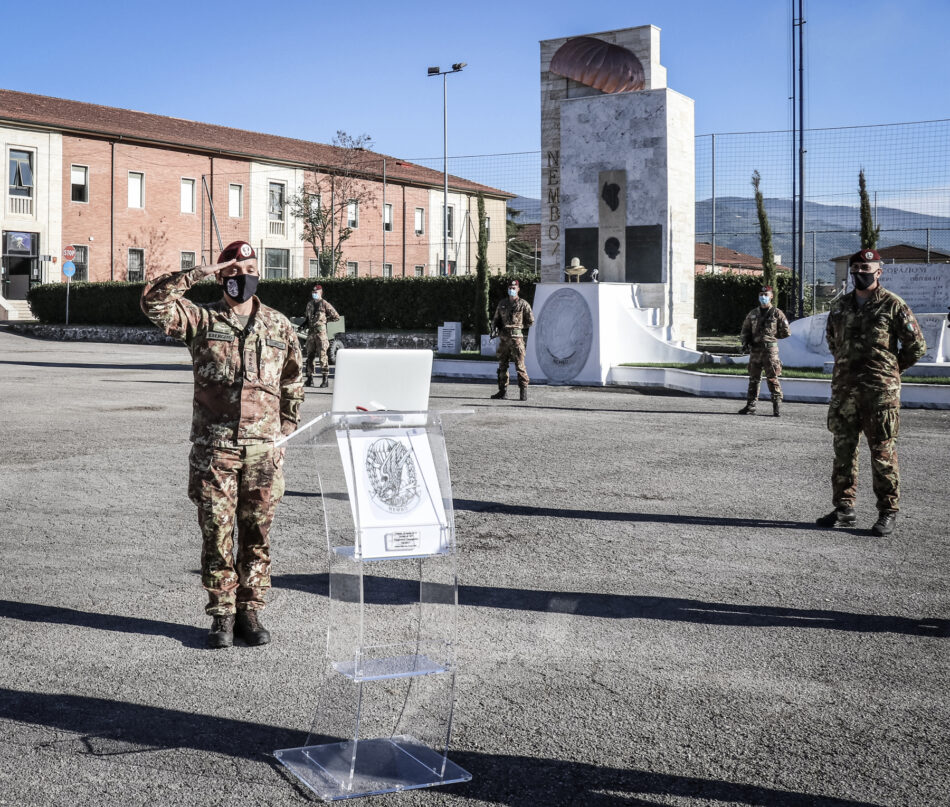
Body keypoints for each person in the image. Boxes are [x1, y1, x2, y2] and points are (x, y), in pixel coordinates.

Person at [141, 240, 303, 648]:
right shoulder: (200, 319)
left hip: (264, 450)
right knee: (216, 534)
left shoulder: (279, 325)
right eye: (231, 270)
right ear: (221, 275)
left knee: (258, 534)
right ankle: (222, 616)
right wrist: (202, 271)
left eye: (246, 268)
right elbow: (153, 303)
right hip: (215, 451)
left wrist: (286, 430)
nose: (238, 276)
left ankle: (251, 610)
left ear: (258, 273)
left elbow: (293, 381)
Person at [816, 249, 926, 537]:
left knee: (882, 453)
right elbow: (833, 342)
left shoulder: (893, 305)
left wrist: (890, 372)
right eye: (855, 268)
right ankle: (844, 509)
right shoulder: (840, 306)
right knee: (843, 451)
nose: (859, 273)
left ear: (879, 271)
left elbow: (916, 346)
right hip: (844, 391)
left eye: (865, 267)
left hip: (880, 395)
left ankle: (887, 511)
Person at [738, 285, 790, 416]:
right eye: (761, 294)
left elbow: (786, 332)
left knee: (772, 378)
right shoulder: (753, 313)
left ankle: (776, 406)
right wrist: (745, 341)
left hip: (770, 352)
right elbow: (745, 330)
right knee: (753, 379)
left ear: (771, 296)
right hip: (755, 350)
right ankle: (751, 406)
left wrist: (771, 339)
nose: (763, 297)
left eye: (766, 295)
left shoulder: (777, 313)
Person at [491, 279, 534, 401]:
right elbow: (496, 319)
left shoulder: (523, 304)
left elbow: (530, 321)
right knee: (502, 365)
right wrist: (495, 328)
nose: (512, 290)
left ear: (518, 289)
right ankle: (502, 391)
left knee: (520, 365)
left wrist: (518, 327)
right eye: (510, 288)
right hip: (504, 339)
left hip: (517, 340)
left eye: (514, 288)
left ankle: (523, 392)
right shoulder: (502, 303)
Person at [303, 283, 340, 388]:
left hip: (321, 334)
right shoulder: (309, 304)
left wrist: (324, 321)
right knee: (310, 357)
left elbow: (336, 317)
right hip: (311, 334)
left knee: (322, 357)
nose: (314, 294)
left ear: (320, 293)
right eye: (313, 292)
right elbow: (307, 318)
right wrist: (303, 325)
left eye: (316, 292)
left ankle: (325, 379)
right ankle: (310, 379)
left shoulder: (324, 304)